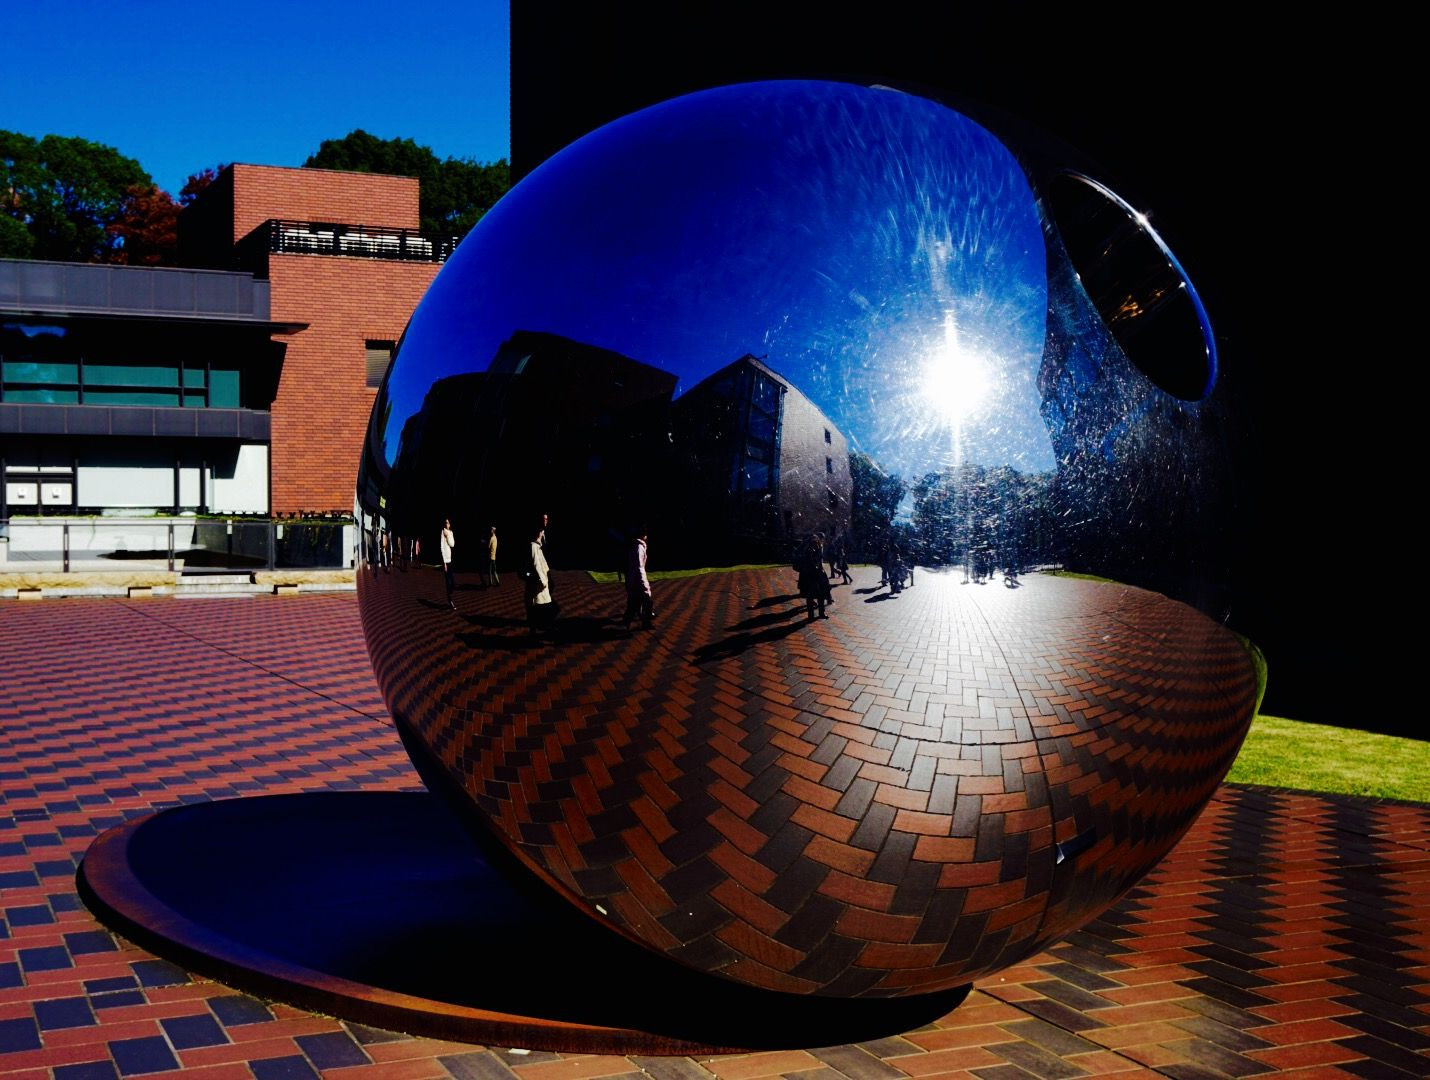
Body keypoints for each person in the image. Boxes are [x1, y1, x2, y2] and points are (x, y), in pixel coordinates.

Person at [525, 522, 556, 633]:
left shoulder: (538, 546)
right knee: (538, 604)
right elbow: (537, 564)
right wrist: (543, 581)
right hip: (538, 582)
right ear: (539, 533)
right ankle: (536, 628)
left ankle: (536, 626)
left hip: (541, 581)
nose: (543, 534)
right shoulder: (534, 546)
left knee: (541, 604)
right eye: (542, 532)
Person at [622, 526, 653, 630]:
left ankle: (628, 622)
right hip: (638, 579)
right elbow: (638, 567)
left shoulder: (636, 546)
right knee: (645, 601)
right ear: (643, 535)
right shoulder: (639, 547)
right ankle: (645, 623)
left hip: (633, 578)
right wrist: (644, 583)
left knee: (634, 602)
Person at [796, 535, 831, 620]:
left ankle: (820, 613)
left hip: (818, 575)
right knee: (811, 596)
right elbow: (811, 562)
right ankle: (811, 615)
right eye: (814, 540)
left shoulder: (817, 548)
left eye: (816, 540)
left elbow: (819, 561)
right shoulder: (807, 550)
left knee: (820, 595)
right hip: (810, 576)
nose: (816, 542)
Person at [440, 519, 456, 608]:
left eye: (448, 522)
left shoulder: (450, 533)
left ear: (450, 524)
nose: (447, 524)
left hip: (450, 559)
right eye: (446, 522)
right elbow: (442, 547)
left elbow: (452, 544)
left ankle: (449, 594)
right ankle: (450, 600)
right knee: (448, 581)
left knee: (452, 581)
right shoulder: (443, 532)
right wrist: (444, 562)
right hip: (445, 561)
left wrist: (448, 537)